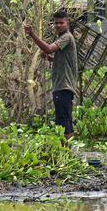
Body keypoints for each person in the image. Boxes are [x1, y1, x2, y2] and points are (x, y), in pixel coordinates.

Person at [24, 10, 78, 140]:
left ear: (68, 23)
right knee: (63, 121)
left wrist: (32, 34)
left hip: (64, 86)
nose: (58, 25)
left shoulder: (66, 37)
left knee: (64, 122)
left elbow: (48, 48)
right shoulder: (61, 38)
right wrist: (49, 58)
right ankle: (65, 152)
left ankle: (66, 152)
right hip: (61, 86)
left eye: (61, 23)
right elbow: (63, 60)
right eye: (56, 23)